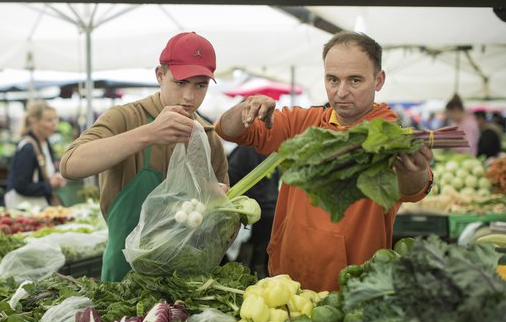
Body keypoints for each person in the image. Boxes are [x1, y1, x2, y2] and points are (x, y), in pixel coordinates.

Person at [215, 31, 434, 291]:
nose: (341, 92)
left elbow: (413, 190)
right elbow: (228, 130)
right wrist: (246, 107)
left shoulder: (391, 137)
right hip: (287, 281)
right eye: (332, 79)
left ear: (379, 80)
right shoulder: (303, 122)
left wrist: (415, 168)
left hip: (351, 286)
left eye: (354, 80)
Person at [60, 31, 230, 282]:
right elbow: (70, 164)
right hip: (124, 276)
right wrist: (149, 134)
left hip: (184, 279)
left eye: (200, 85)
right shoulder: (125, 118)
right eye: (180, 83)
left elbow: (224, 226)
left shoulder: (207, 137)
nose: (189, 96)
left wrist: (218, 204)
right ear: (160, 76)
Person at [227, 145, 279, 279]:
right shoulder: (245, 151)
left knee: (259, 254)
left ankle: (255, 272)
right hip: (253, 213)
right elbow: (232, 175)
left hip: (266, 212)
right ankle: (247, 273)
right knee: (245, 258)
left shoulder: (273, 152)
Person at [5, 101, 66, 209]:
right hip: (25, 209)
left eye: (55, 119)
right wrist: (49, 185)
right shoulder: (27, 148)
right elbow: (20, 185)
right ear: (34, 121)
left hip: (38, 207)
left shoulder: (45, 143)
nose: (54, 124)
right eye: (49, 120)